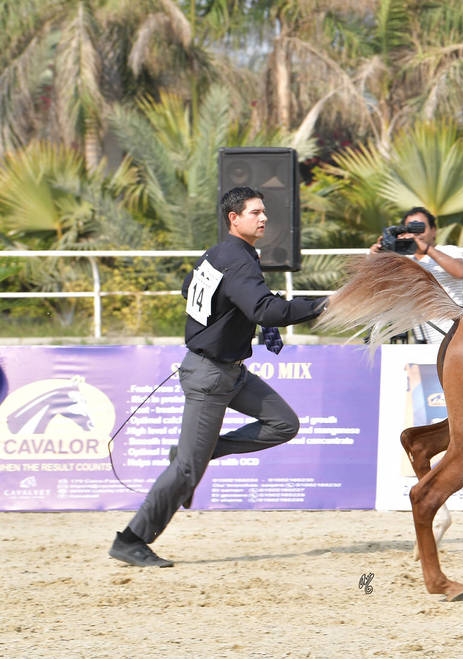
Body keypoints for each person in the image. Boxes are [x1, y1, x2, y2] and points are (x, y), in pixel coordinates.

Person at [108, 186, 329, 567]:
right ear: (234, 217)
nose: (263, 218)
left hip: (228, 372)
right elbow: (265, 311)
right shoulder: (240, 260)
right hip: (210, 377)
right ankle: (132, 540)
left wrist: (230, 308)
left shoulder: (220, 253)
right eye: (255, 212)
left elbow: (187, 289)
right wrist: (322, 305)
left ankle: (199, 452)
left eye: (263, 212)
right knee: (187, 470)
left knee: (283, 424)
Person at [369, 207, 463, 343]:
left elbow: (460, 272)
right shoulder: (403, 259)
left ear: (434, 231)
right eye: (410, 229)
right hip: (421, 339)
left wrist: (424, 248)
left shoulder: (449, 251)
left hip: (454, 334)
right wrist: (377, 258)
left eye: (420, 227)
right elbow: (379, 289)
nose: (415, 234)